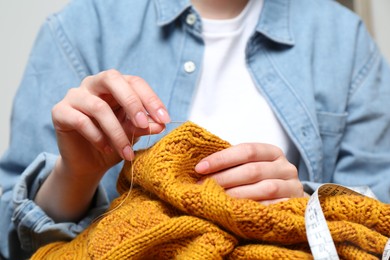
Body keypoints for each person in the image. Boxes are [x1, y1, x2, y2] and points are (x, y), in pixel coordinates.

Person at [1, 0, 389, 258]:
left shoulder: (344, 39)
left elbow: (378, 219)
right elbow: (10, 237)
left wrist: (303, 203)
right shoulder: (79, 29)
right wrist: (75, 176)